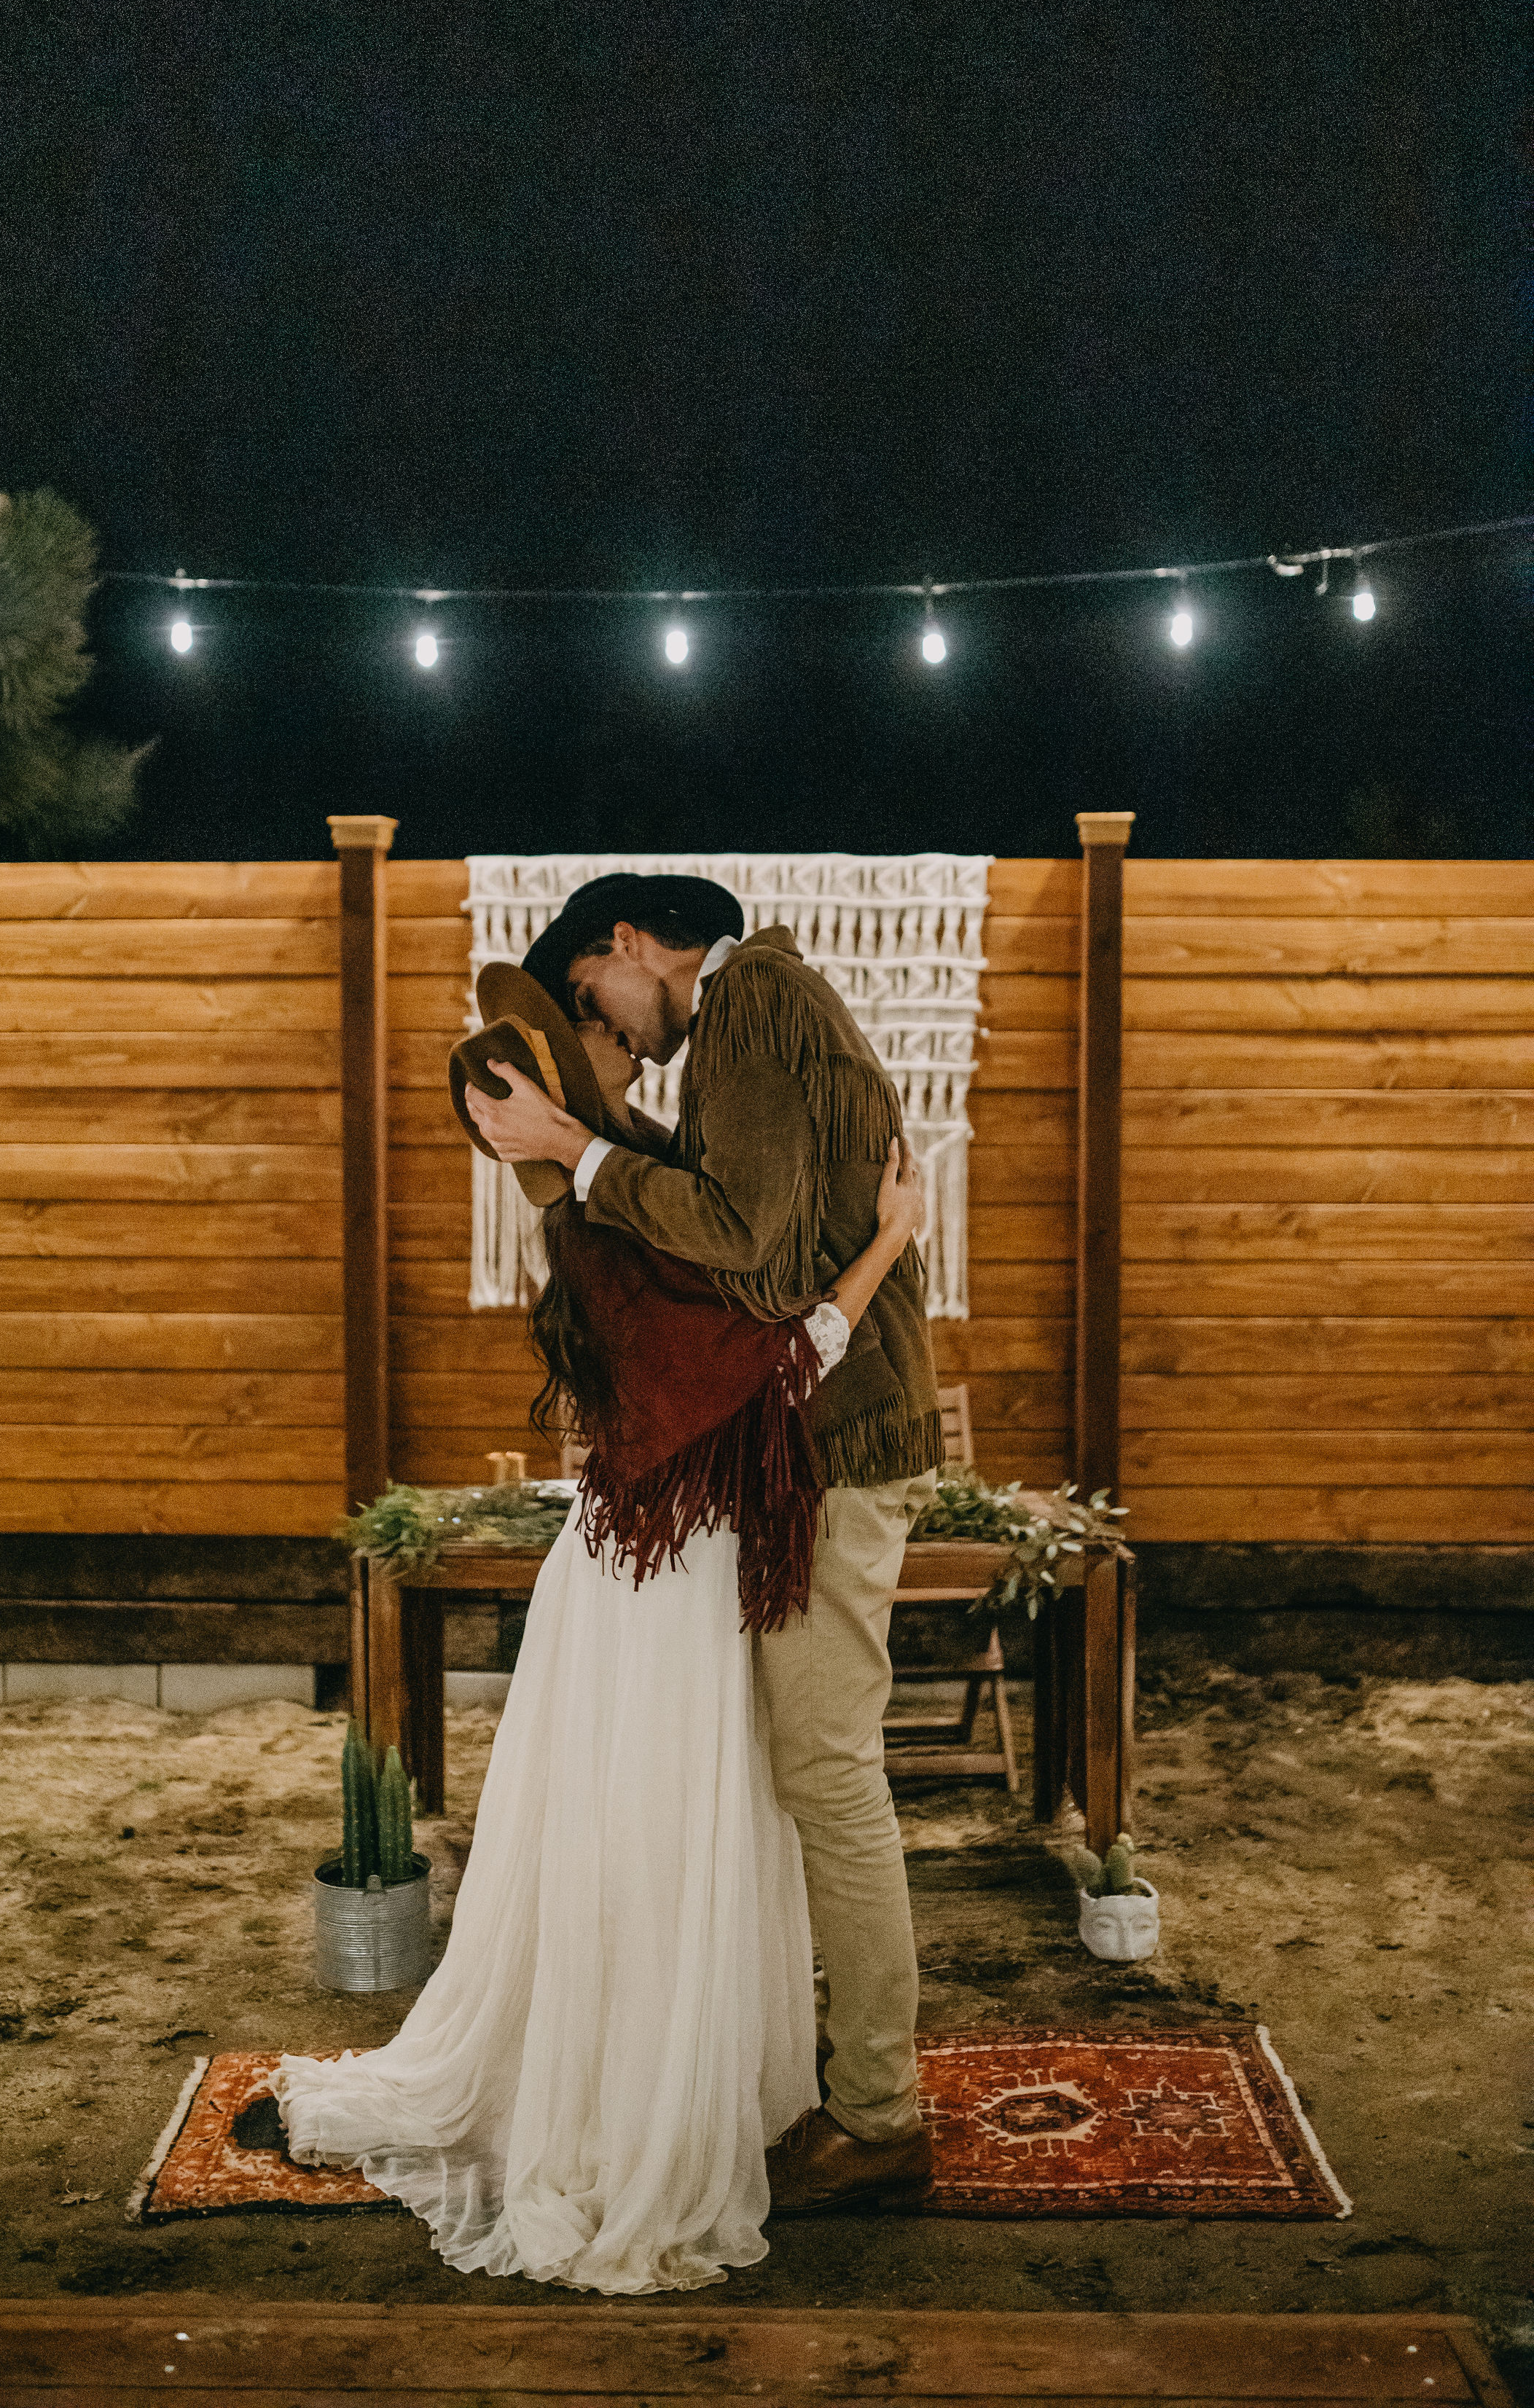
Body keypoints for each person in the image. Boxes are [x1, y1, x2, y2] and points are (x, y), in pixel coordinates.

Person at [274, 968, 926, 2296]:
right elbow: (772, 1363)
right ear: (542, 1093)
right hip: (664, 1584)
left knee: (670, 1829)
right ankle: (651, 2104)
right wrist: (887, 1245)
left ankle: (675, 2074)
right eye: (584, 1032)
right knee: (667, 1832)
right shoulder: (605, 1220)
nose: (615, 1038)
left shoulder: (621, 1194)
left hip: (656, 1566)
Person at [463, 874, 944, 2216]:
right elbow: (755, 1241)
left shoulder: (749, 1003)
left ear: (626, 945)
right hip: (813, 1439)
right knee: (808, 1776)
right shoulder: (762, 1009)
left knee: (832, 1778)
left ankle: (879, 2115)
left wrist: (583, 1146)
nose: (612, 1036)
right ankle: (829, 2083)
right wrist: (586, 1150)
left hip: (832, 1448)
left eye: (590, 1002)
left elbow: (746, 1246)